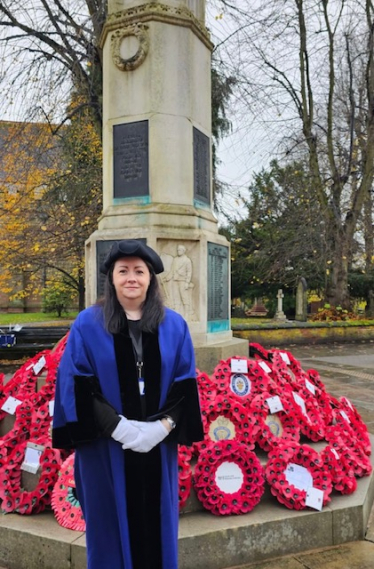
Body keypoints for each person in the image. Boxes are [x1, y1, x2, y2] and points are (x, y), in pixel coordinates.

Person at [52, 239, 203, 569]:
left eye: (139, 270)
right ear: (112, 278)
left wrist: (158, 429)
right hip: (105, 449)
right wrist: (119, 428)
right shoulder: (88, 324)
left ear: (151, 278)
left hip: (157, 447)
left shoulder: (173, 325)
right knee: (107, 530)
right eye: (123, 271)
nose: (131, 277)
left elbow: (185, 383)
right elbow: (76, 383)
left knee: (156, 527)